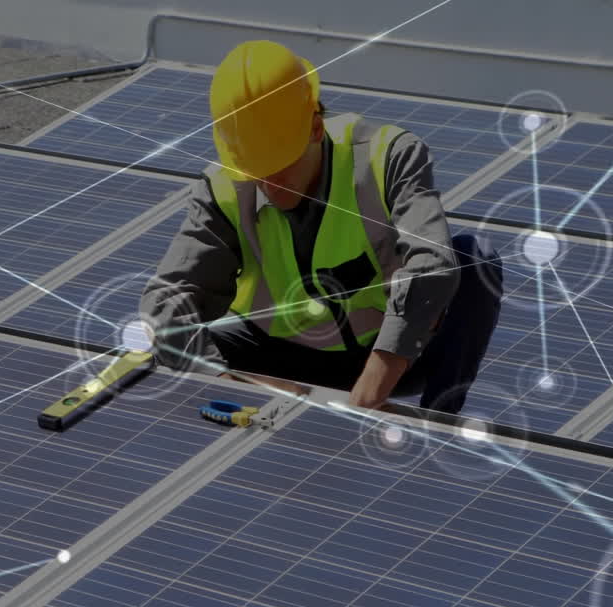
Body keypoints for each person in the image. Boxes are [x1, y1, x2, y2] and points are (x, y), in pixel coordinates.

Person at [139, 40, 503, 413]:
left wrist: (374, 384)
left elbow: (432, 264)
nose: (267, 185)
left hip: (385, 354)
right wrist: (230, 382)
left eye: (279, 165)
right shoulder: (222, 189)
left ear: (315, 128)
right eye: (255, 171)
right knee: (167, 349)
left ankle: (438, 424)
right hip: (276, 355)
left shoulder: (387, 156)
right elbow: (164, 300)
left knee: (475, 260)